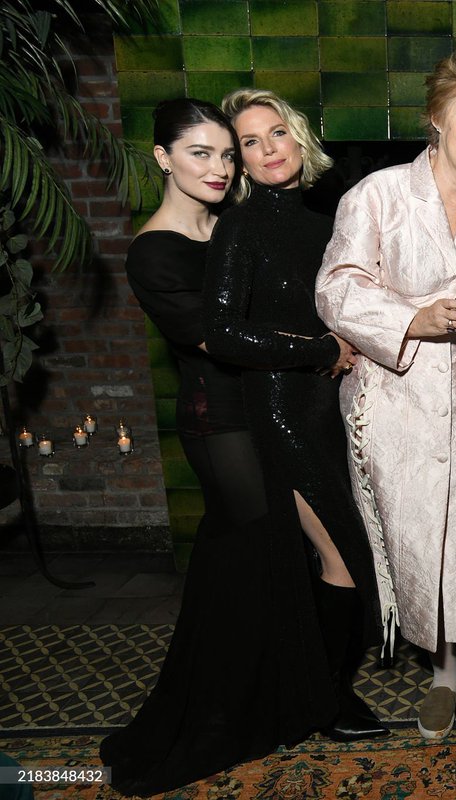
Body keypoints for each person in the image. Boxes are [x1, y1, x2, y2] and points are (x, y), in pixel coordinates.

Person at [100, 99, 338, 795]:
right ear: (162, 158)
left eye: (226, 154)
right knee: (252, 554)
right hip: (222, 423)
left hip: (271, 408)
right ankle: (221, 714)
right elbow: (220, 339)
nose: (218, 167)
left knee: (255, 561)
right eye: (200, 152)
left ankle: (278, 694)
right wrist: (323, 349)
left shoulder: (234, 227)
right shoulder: (154, 249)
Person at [314, 51, 456, 741]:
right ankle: (442, 667)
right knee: (420, 539)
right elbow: (337, 285)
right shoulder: (377, 194)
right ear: (435, 118)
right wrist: (412, 319)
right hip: (394, 398)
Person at [203, 88, 386, 743]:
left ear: (297, 137)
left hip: (327, 409)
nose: (267, 150)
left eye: (275, 133)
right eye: (250, 142)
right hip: (280, 412)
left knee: (332, 559)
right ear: (242, 161)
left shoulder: (323, 220)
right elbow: (222, 330)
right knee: (342, 557)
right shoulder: (241, 226)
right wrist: (317, 350)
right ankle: (326, 700)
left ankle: (314, 687)